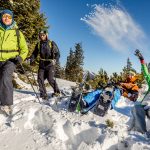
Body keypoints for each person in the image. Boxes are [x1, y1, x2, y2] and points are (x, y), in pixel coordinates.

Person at [0, 9, 28, 115]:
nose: (6, 18)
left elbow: (24, 49)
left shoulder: (17, 32)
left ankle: (6, 105)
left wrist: (20, 57)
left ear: (12, 18)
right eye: (4, 16)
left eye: (9, 16)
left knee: (5, 78)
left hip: (11, 60)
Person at [30, 28, 60, 99]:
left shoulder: (51, 43)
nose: (42, 36)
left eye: (43, 35)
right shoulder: (39, 44)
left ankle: (57, 92)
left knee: (50, 79)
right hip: (42, 64)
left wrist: (55, 60)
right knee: (40, 79)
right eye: (40, 35)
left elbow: (57, 53)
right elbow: (35, 53)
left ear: (46, 35)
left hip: (50, 64)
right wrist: (31, 59)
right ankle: (43, 94)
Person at [128, 49, 150, 138]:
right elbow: (146, 73)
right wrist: (142, 59)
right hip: (146, 104)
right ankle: (141, 133)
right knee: (136, 108)